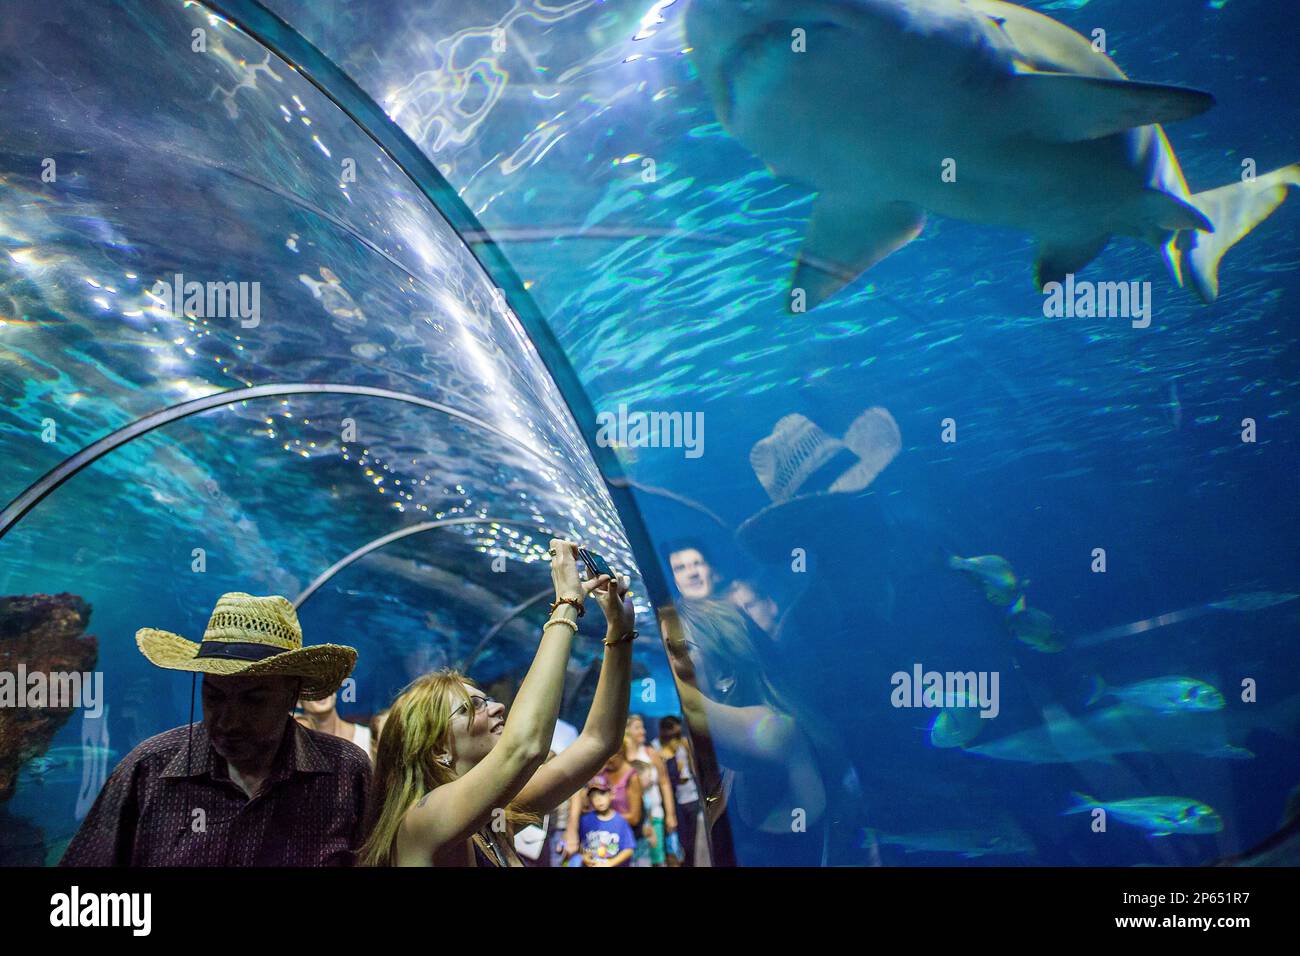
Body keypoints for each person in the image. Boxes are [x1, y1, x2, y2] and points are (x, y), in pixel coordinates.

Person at [360, 538, 636, 867]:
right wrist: (566, 602)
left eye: (487, 699)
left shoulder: (494, 819)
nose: (497, 707)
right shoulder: (422, 821)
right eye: (472, 707)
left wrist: (619, 631)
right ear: (437, 749)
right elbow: (525, 747)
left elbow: (597, 742)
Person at [61, 592, 370, 866]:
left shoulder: (346, 773)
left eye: (253, 700)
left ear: (291, 693)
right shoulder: (148, 771)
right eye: (214, 697)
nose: (228, 721)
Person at [564, 747, 641, 858]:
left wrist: (608, 818)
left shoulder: (631, 776)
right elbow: (582, 845)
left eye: (610, 756)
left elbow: (634, 819)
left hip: (621, 843)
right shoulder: (601, 774)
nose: (607, 760)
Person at [625, 714, 676, 866]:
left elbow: (664, 783)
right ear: (626, 730)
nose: (643, 731)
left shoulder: (650, 753)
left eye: (643, 727)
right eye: (637, 728)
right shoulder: (620, 756)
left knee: (656, 858)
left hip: (654, 815)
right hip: (631, 817)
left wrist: (671, 815)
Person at [658, 715, 700, 866]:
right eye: (671, 731)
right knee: (678, 839)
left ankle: (690, 863)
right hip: (674, 800)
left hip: (691, 796)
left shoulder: (684, 744)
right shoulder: (659, 749)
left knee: (691, 840)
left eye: (676, 731)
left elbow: (694, 767)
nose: (674, 735)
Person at [297, 691, 371, 760]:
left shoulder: (366, 736)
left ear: (334, 692)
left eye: (326, 685)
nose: (320, 692)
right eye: (310, 688)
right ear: (298, 702)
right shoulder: (295, 743)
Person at [578, 780, 636, 867]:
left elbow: (629, 849)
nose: (598, 799)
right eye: (593, 796)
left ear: (611, 794)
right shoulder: (585, 820)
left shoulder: (620, 821)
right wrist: (583, 857)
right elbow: (580, 845)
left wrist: (610, 863)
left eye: (602, 793)